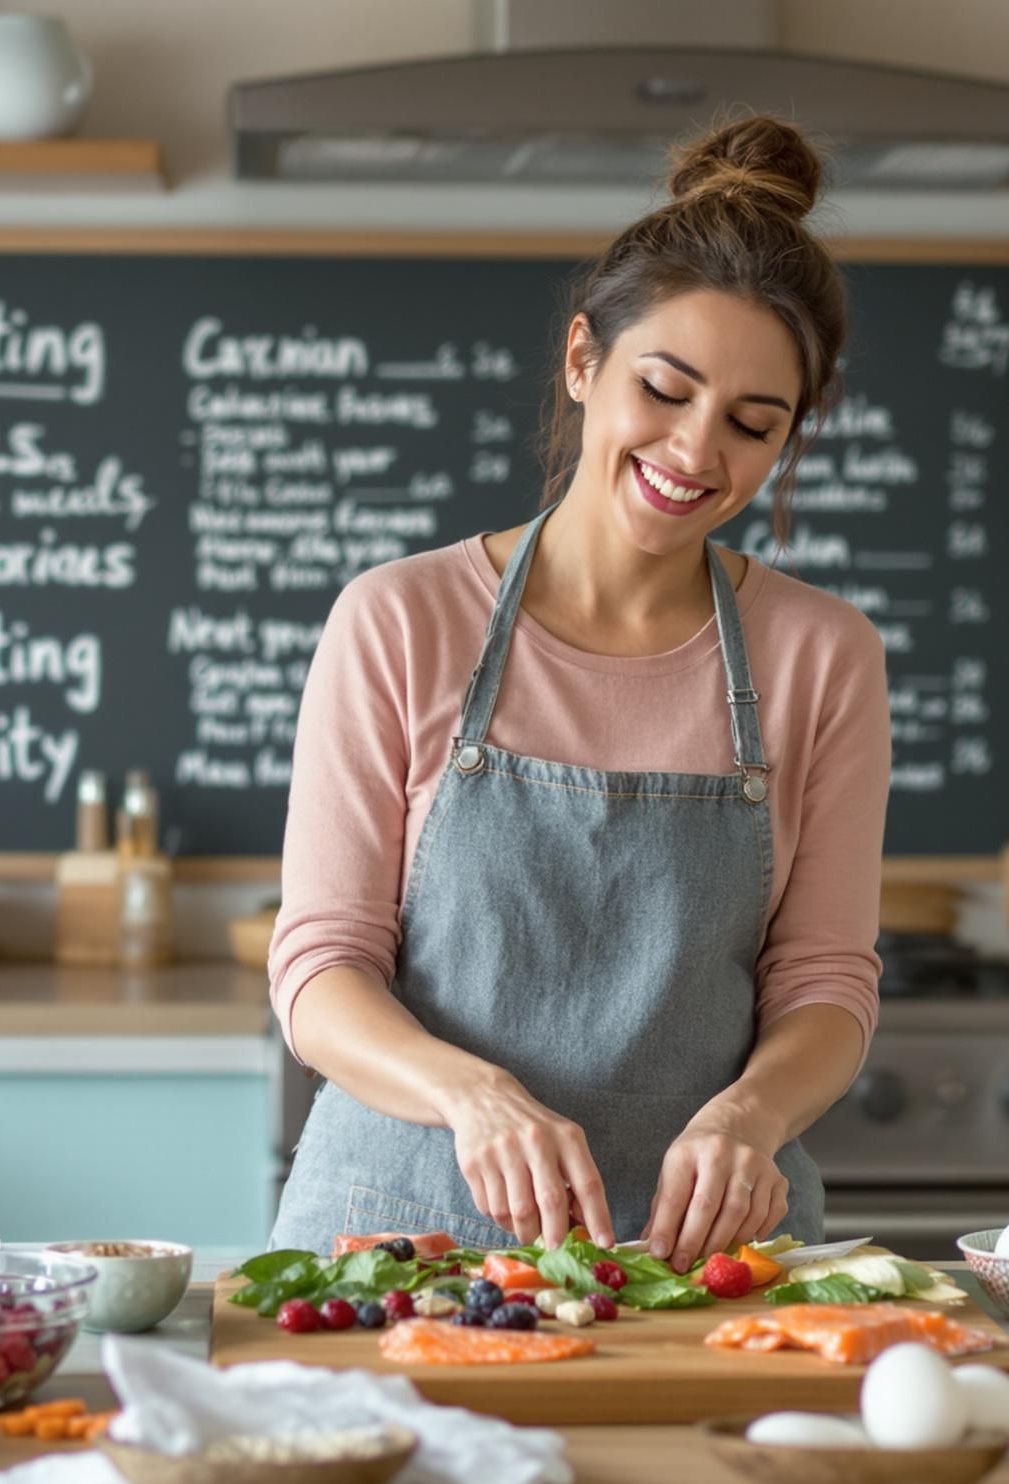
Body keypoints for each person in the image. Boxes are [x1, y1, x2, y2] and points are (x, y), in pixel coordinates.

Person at [267, 114, 890, 1273]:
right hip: (400, 1250)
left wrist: (750, 1115)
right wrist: (471, 1095)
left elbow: (825, 982)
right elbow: (319, 969)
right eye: (665, 389)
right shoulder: (400, 620)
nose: (697, 451)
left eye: (754, 425)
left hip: (703, 1268)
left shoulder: (822, 655)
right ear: (580, 362)